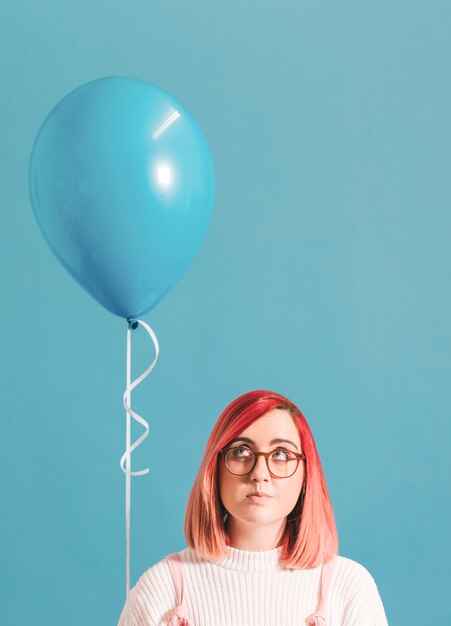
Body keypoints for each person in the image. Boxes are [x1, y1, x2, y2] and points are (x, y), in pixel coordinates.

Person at [118, 390, 389, 625]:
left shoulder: (347, 588)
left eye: (281, 454)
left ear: (306, 475)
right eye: (240, 451)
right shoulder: (162, 589)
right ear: (215, 469)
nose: (260, 473)